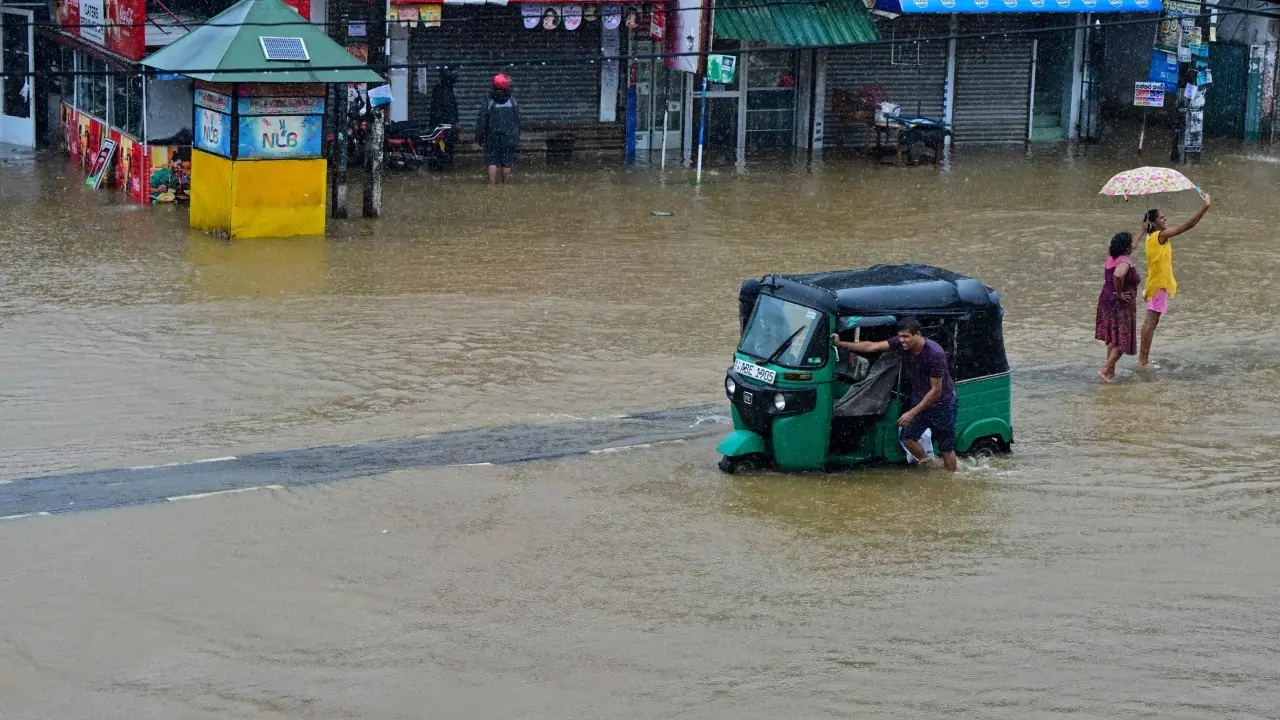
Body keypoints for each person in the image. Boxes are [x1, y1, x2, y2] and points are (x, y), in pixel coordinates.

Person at [833, 317, 958, 471]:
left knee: (946, 448)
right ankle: (930, 467)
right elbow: (872, 347)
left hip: (942, 404)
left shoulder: (934, 354)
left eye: (906, 337)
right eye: (899, 336)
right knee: (907, 438)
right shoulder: (901, 344)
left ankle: (950, 479)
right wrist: (841, 344)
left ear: (918, 334)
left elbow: (936, 391)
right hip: (920, 400)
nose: (902, 340)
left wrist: (911, 413)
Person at [1138, 194, 1211, 369]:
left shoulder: (1151, 237)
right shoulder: (1160, 235)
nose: (1166, 219)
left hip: (1155, 283)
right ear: (1155, 223)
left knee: (1152, 321)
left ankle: (1143, 358)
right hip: (1158, 285)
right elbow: (1187, 226)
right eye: (1162, 217)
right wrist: (1204, 207)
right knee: (1150, 321)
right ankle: (1143, 360)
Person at [1095, 232, 1141, 382]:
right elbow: (1118, 275)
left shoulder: (1112, 256)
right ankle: (1105, 370)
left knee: (1113, 339)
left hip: (1106, 302)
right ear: (1126, 248)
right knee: (1123, 342)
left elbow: (1132, 246)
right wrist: (1120, 294)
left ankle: (1110, 372)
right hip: (1120, 305)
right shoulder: (1124, 263)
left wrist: (1142, 231)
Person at [476, 73, 521, 185]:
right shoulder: (512, 101)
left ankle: (492, 187)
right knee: (507, 163)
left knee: (492, 161)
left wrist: (479, 138)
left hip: (492, 137)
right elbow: (518, 120)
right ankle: (506, 187)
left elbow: (482, 121)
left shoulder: (489, 101)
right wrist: (516, 136)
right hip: (509, 137)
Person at [428, 66, 460, 170]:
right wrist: (454, 123)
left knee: (440, 146)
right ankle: (441, 164)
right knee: (444, 146)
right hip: (443, 124)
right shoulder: (444, 90)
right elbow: (449, 108)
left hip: (439, 123)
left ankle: (439, 163)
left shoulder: (440, 88)